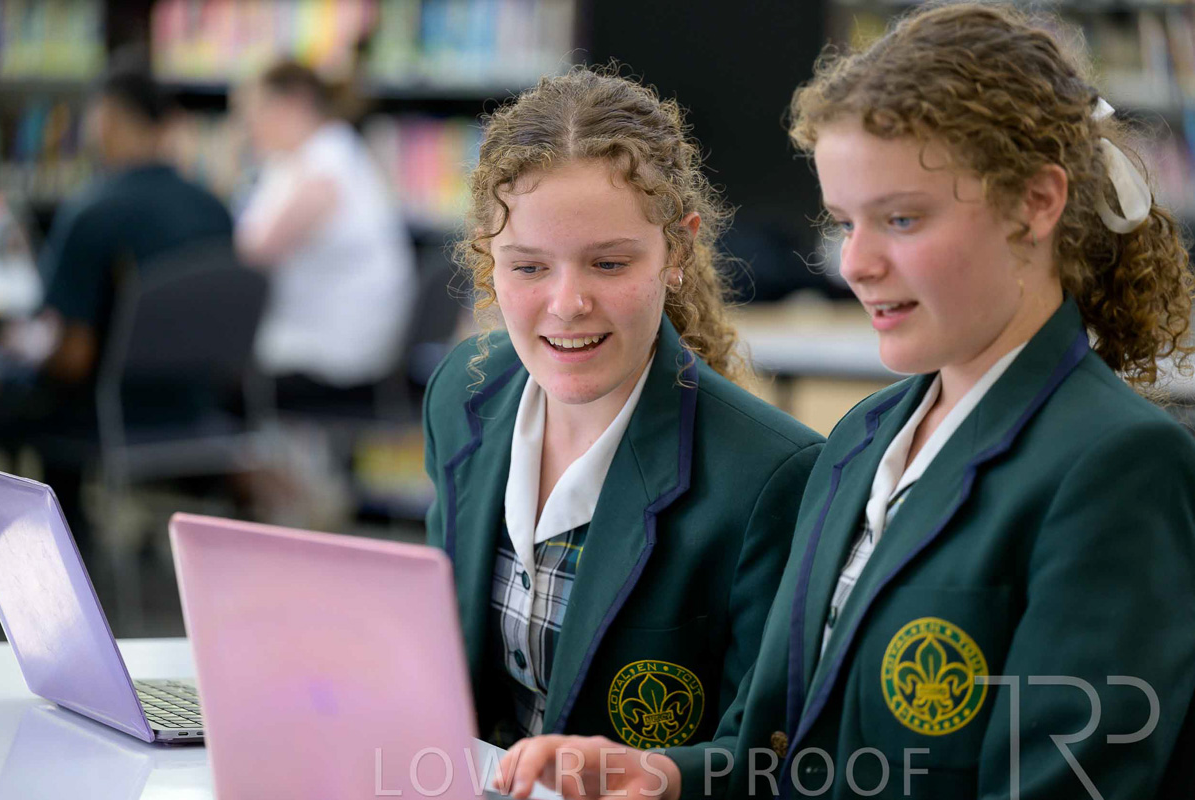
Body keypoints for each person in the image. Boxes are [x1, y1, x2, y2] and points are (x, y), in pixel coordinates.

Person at [497, 6, 1195, 799]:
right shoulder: (865, 436)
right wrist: (669, 776)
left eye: (901, 218)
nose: (856, 263)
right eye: (845, 222)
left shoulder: (1118, 466)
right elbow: (787, 744)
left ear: (1036, 202)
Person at [421, 68, 823, 751]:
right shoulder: (463, 391)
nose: (567, 304)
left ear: (677, 250)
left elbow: (762, 754)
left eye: (608, 264)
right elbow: (443, 644)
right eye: (528, 267)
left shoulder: (769, 475)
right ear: (488, 259)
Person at [0, 60, 234, 553]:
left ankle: (48, 555)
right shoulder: (215, 210)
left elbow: (73, 358)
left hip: (111, 413)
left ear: (106, 120)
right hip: (196, 405)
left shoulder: (93, 211)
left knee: (23, 389)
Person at [235, 60, 415, 407]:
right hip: (348, 339)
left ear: (293, 104)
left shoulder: (323, 166)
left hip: (332, 352)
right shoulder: (326, 151)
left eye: (254, 110)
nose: (247, 125)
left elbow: (253, 253)